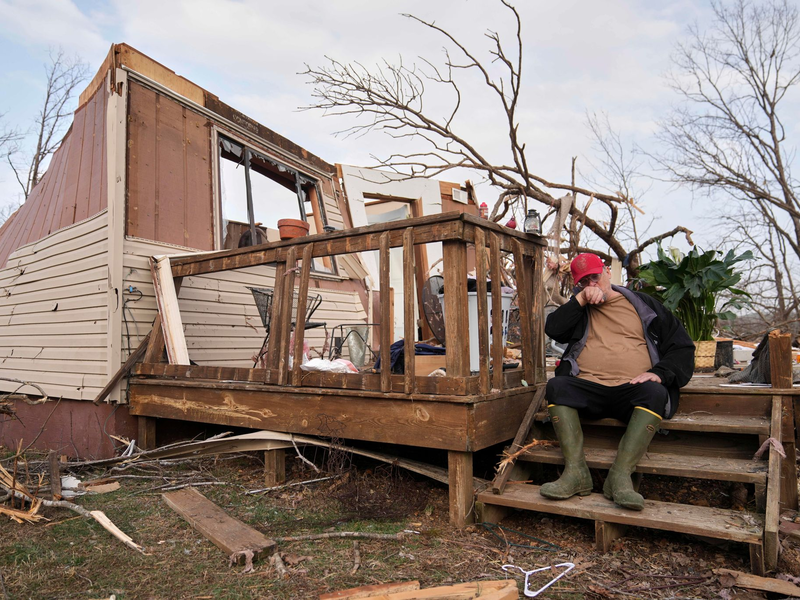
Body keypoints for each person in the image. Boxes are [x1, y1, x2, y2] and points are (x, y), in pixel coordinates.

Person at [542, 253, 694, 510]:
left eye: (595, 277)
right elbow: (554, 329)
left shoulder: (645, 306)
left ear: (608, 273)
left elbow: (682, 347)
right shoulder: (580, 308)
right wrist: (579, 300)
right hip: (589, 388)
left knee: (655, 393)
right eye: (584, 282)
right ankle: (576, 473)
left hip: (631, 390)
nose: (592, 284)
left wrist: (660, 372)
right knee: (556, 386)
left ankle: (620, 476)